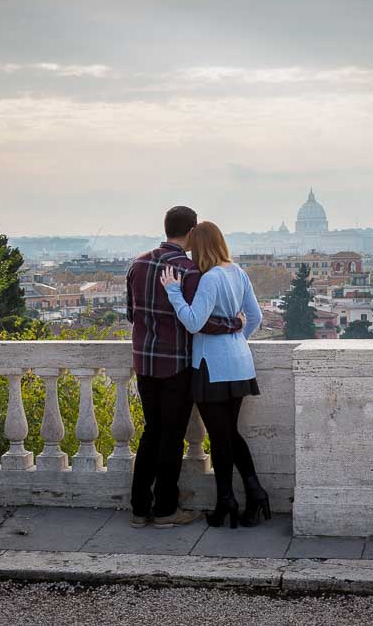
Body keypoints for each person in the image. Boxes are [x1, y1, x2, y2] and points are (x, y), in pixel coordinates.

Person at [125, 206, 243, 529]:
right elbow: (199, 323)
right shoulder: (189, 270)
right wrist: (235, 323)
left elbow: (131, 314)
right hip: (176, 365)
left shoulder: (137, 264)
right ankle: (165, 510)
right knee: (172, 436)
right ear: (191, 231)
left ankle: (138, 508)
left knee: (151, 432)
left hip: (144, 362)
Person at [159, 221, 268, 529]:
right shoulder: (238, 272)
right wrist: (235, 340)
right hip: (240, 363)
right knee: (229, 434)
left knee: (222, 438)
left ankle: (227, 501)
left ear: (201, 247)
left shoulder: (210, 278)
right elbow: (255, 317)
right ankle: (254, 492)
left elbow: (193, 322)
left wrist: (174, 292)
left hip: (211, 366)